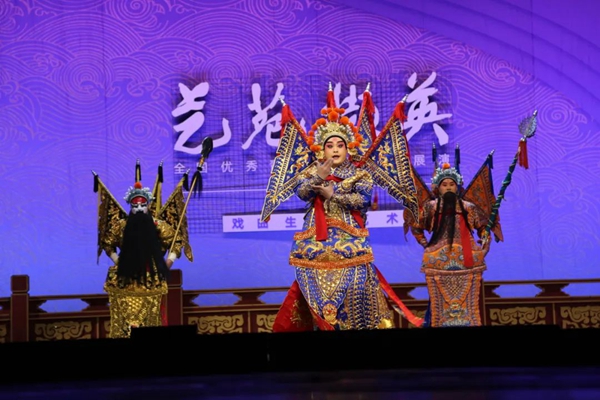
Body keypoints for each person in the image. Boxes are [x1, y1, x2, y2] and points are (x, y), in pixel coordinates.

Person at [269, 97, 423, 331]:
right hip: (315, 247)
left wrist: (334, 194)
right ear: (321, 149)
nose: (335, 150)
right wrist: (319, 178)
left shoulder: (360, 174)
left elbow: (362, 201)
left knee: (357, 298)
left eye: (339, 145)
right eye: (329, 145)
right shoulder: (310, 173)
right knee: (317, 303)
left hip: (351, 245)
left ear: (348, 147)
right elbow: (302, 193)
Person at [95, 177, 189, 338]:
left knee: (152, 319)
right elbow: (107, 242)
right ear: (130, 207)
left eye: (142, 205)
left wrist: (168, 262)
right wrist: (117, 260)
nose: (139, 209)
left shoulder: (158, 226)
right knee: (123, 325)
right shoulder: (121, 226)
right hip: (125, 280)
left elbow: (177, 241)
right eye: (135, 206)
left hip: (151, 279)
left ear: (148, 206)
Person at [408, 163, 490, 327]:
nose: (448, 188)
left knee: (470, 306)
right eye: (444, 185)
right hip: (438, 262)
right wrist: (426, 244)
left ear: (457, 187)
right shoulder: (431, 207)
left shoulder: (468, 207)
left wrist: (485, 243)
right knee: (438, 307)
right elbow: (416, 226)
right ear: (438, 188)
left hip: (467, 260)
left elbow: (483, 227)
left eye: (452, 184)